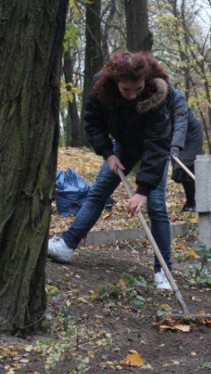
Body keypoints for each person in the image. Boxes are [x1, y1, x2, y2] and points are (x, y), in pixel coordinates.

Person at [47, 51, 174, 290]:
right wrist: (108, 153)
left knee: (156, 206)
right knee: (97, 194)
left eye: (137, 88)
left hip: (152, 148)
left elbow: (158, 144)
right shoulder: (101, 90)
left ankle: (163, 270)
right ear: (116, 83)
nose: (133, 95)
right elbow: (93, 123)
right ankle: (66, 245)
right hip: (122, 146)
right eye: (126, 90)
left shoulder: (158, 93)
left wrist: (143, 189)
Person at [169, 86, 204, 212]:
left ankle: (193, 202)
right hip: (176, 135)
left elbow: (181, 123)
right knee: (181, 169)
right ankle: (191, 201)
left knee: (187, 166)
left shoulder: (177, 98)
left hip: (190, 136)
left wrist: (175, 145)